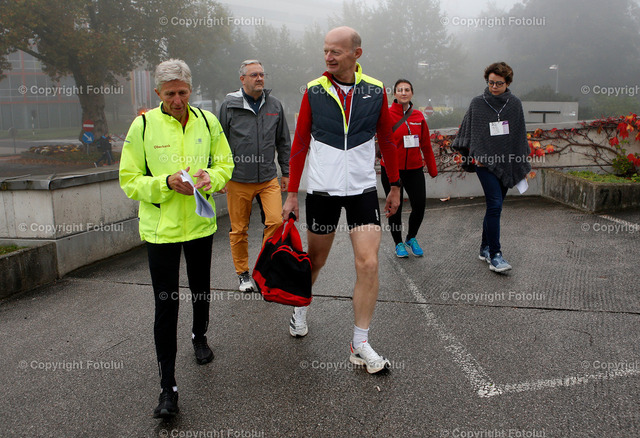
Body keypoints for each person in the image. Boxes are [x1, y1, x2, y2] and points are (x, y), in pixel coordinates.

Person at [282, 26, 401, 374]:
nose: (328, 57)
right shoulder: (313, 91)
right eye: (325, 51)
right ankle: (300, 308)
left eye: (335, 51)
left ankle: (359, 343)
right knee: (315, 261)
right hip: (323, 192)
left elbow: (387, 140)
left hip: (363, 191)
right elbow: (300, 143)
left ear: (356, 54)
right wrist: (292, 194)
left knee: (368, 263)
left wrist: (394, 186)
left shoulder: (375, 90)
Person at [119, 59, 234, 418]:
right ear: (158, 93)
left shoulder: (208, 121)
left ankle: (200, 336)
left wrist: (211, 179)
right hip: (161, 231)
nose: (177, 100)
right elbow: (129, 180)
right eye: (170, 94)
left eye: (183, 92)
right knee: (166, 305)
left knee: (201, 288)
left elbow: (225, 164)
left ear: (190, 90)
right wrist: (166, 183)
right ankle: (167, 388)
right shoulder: (142, 126)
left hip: (199, 225)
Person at [219, 60, 291, 293]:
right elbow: (218, 141)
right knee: (239, 229)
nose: (259, 78)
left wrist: (286, 172)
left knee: (276, 222)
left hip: (268, 178)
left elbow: (283, 141)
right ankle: (243, 274)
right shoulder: (229, 105)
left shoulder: (274, 105)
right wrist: (218, 174)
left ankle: (264, 268)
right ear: (242, 79)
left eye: (261, 74)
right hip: (238, 179)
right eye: (254, 75)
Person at [452, 61, 531, 273]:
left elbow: (518, 137)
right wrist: (475, 154)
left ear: (508, 83)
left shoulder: (514, 105)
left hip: (506, 163)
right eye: (491, 83)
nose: (494, 87)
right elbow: (470, 132)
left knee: (494, 207)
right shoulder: (478, 103)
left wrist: (518, 161)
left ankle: (484, 247)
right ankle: (496, 255)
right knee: (495, 205)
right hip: (484, 164)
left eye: (499, 83)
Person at [381, 79, 438, 258]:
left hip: (414, 169)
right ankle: (398, 243)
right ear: (394, 93)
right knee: (395, 208)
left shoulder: (418, 116)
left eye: (407, 90)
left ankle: (411, 237)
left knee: (419, 205)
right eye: (400, 90)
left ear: (412, 93)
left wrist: (432, 168)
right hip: (392, 171)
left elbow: (426, 145)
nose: (404, 93)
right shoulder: (387, 114)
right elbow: (381, 141)